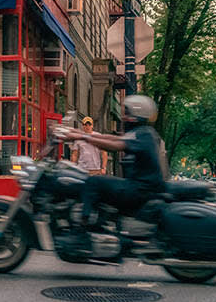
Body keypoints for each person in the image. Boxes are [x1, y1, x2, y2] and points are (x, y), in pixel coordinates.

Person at [56, 95, 169, 232]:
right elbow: (110, 138)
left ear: (136, 114)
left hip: (140, 189)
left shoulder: (144, 135)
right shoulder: (142, 133)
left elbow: (115, 145)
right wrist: (73, 132)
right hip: (141, 187)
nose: (123, 117)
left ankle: (82, 228)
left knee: (94, 182)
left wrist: (82, 136)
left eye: (127, 113)